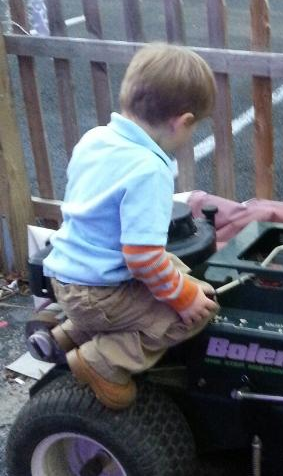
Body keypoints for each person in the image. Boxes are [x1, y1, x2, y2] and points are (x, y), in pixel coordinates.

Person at [36, 43, 219, 410]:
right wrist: (184, 299)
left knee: (179, 272)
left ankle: (68, 333)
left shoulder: (96, 139)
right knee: (198, 311)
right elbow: (143, 259)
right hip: (101, 292)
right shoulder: (150, 170)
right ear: (182, 122)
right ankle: (102, 362)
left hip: (67, 276)